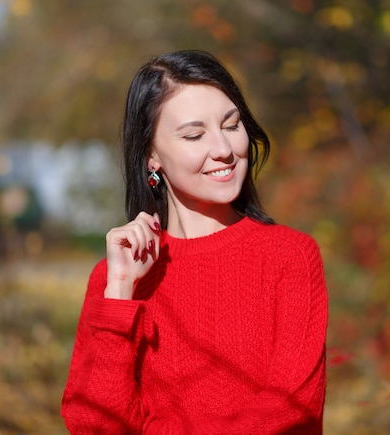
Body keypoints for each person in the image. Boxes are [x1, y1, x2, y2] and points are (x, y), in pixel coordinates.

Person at [61, 49, 328, 434]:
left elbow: (290, 411)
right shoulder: (114, 278)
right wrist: (120, 292)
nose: (224, 149)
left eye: (232, 125)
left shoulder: (290, 256)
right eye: (194, 134)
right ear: (151, 154)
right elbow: (93, 425)